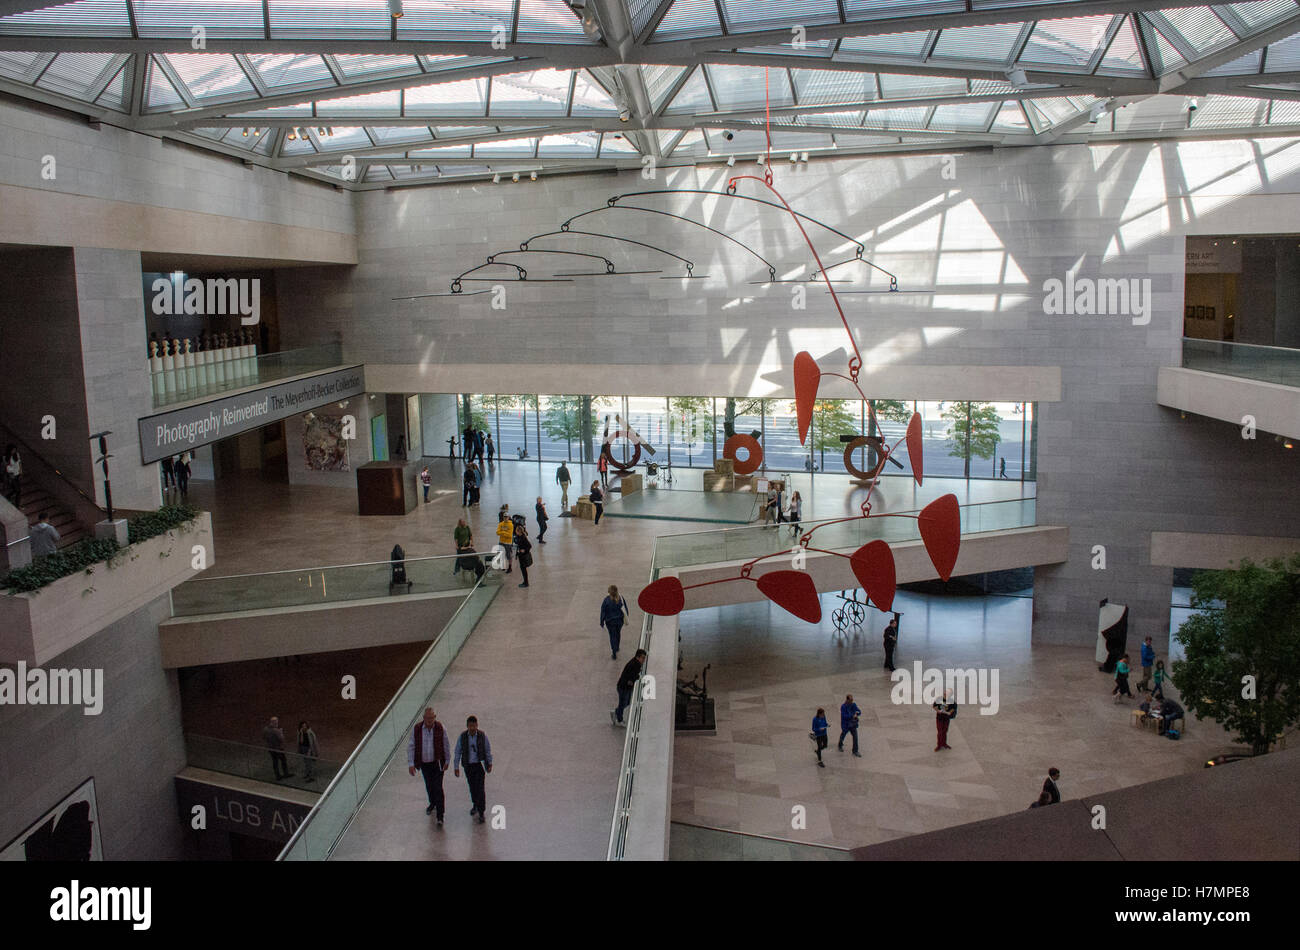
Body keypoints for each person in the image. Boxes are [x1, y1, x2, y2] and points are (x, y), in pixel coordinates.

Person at [407, 707, 450, 825]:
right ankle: (433, 803)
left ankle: (440, 816)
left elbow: (446, 744)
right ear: (424, 718)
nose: (430, 720)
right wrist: (411, 763)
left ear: (435, 717)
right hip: (424, 764)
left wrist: (447, 760)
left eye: (432, 718)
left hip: (437, 764)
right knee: (429, 786)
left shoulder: (440, 728)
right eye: (427, 718)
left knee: (438, 788)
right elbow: (411, 746)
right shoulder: (417, 729)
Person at [453, 716, 492, 823]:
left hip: (478, 765)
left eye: (474, 726)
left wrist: (489, 763)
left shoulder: (482, 736)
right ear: (467, 726)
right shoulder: (463, 737)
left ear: (477, 725)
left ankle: (481, 811)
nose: (472, 728)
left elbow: (487, 749)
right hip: (468, 766)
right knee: (472, 787)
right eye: (470, 726)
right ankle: (475, 803)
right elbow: (457, 752)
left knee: (480, 789)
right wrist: (456, 767)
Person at [611, 649, 646, 727]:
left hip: (625, 687)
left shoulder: (636, 663)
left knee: (627, 702)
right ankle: (619, 719)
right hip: (623, 687)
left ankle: (616, 712)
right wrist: (636, 678)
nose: (644, 660)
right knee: (623, 702)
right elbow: (630, 678)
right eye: (642, 658)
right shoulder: (635, 665)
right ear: (638, 657)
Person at [600, 585, 629, 659]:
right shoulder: (621, 598)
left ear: (609, 592)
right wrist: (626, 617)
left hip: (610, 622)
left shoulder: (606, 600)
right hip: (619, 621)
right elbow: (625, 608)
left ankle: (614, 652)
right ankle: (617, 647)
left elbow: (603, 611)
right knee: (618, 633)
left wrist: (602, 621)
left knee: (612, 636)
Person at [513, 522, 532, 588]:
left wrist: (524, 550)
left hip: (523, 556)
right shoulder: (519, 536)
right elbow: (517, 542)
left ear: (519, 531)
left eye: (516, 531)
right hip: (520, 556)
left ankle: (526, 583)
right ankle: (525, 581)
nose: (515, 532)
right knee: (523, 569)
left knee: (523, 570)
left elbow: (529, 546)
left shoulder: (523, 538)